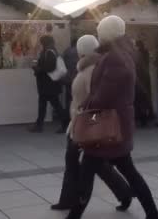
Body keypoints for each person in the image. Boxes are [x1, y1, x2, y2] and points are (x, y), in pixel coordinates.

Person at [66, 16, 158, 219]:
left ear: (108, 33)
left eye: (100, 31)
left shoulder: (114, 57)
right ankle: (153, 214)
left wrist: (85, 107)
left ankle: (74, 216)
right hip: (116, 124)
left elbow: (104, 95)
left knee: (88, 172)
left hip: (107, 125)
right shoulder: (123, 53)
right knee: (128, 172)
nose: (98, 35)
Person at [51, 35, 133, 212]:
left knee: (87, 165)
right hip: (78, 124)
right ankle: (124, 193)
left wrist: (87, 124)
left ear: (83, 50)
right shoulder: (88, 67)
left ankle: (71, 202)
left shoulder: (91, 70)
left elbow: (94, 100)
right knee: (94, 166)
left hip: (85, 126)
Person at [29, 35, 67, 133]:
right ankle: (39, 125)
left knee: (53, 105)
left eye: (41, 42)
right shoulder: (51, 50)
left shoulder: (49, 51)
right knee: (47, 104)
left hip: (48, 84)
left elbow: (49, 67)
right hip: (49, 84)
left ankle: (65, 124)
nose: (40, 44)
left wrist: (37, 69)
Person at [134, 40, 154, 127]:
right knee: (143, 100)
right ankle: (145, 118)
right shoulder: (140, 54)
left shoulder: (136, 55)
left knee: (139, 101)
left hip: (139, 80)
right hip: (143, 79)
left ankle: (142, 118)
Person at [62, 37, 79, 119]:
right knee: (77, 99)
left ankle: (67, 118)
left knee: (68, 100)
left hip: (68, 78)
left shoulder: (67, 51)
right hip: (78, 78)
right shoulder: (80, 51)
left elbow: (63, 64)